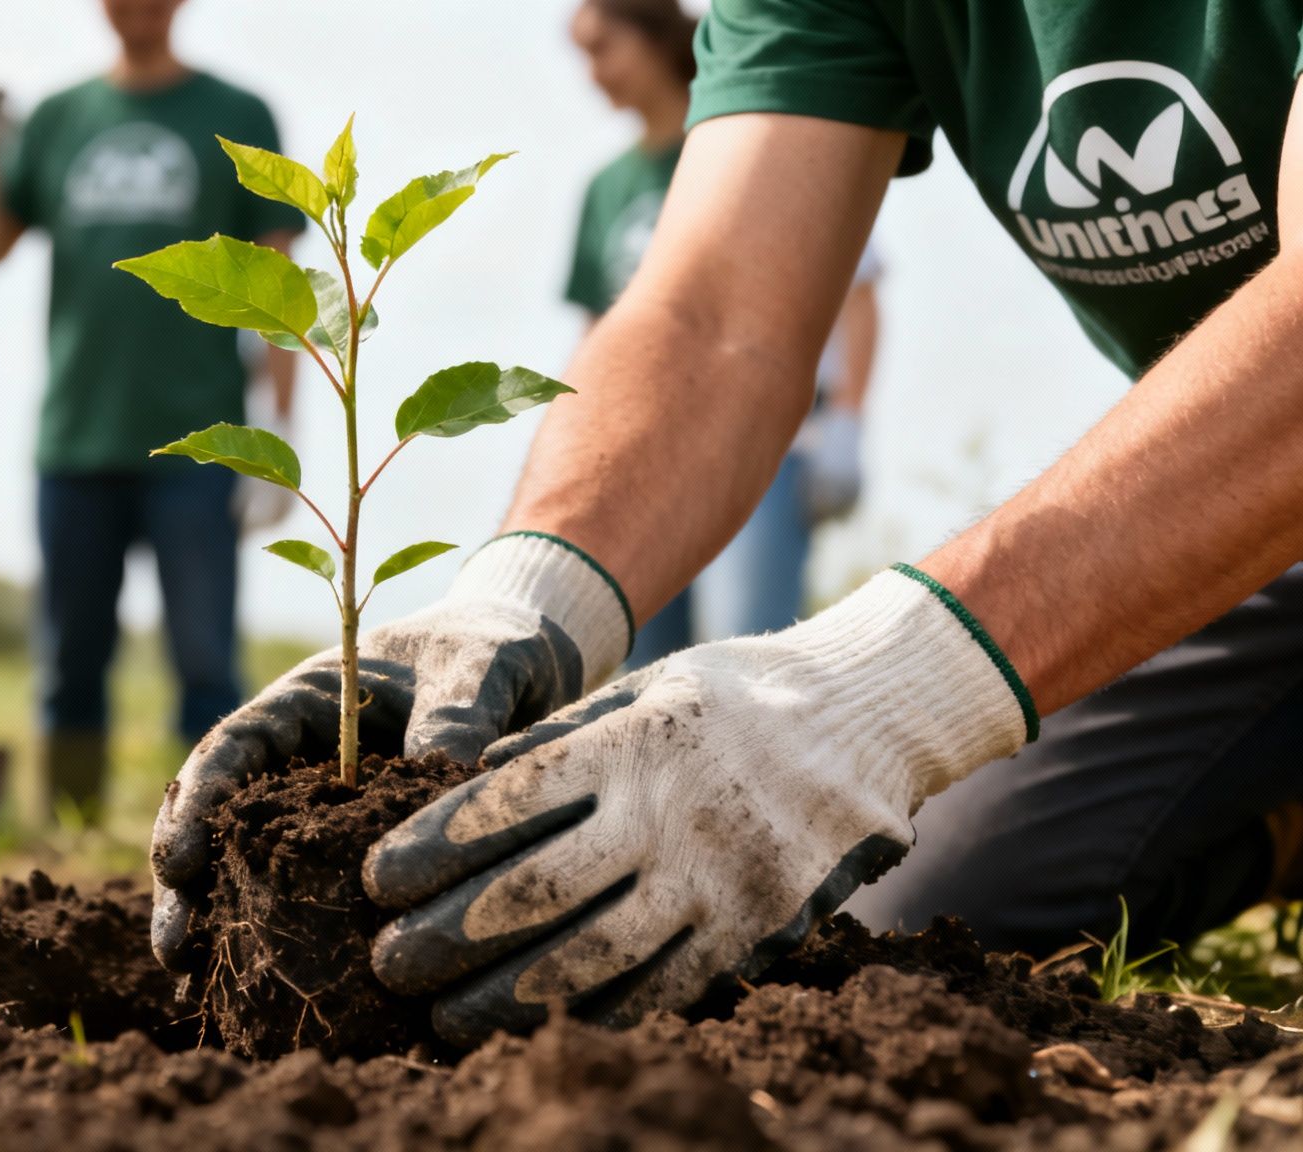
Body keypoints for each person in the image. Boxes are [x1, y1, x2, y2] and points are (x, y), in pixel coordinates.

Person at [151, 0, 1303, 1047]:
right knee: (913, 908)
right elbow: (713, 317)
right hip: (1252, 530)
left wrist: (876, 689)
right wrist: (526, 593)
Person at [0, 0, 303, 820]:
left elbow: (281, 286)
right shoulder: (58, 120)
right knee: (71, 663)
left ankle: (213, 832)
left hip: (203, 439)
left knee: (205, 663)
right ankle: (69, 832)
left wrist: (278, 436)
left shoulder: (237, 116)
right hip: (77, 438)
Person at [566, 0, 882, 666]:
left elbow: (859, 299)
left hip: (766, 443)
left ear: (655, 39)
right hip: (641, 462)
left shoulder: (757, 152)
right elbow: (597, 335)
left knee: (745, 652)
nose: (593, 74)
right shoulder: (607, 188)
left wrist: (849, 420)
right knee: (638, 674)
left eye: (603, 48)